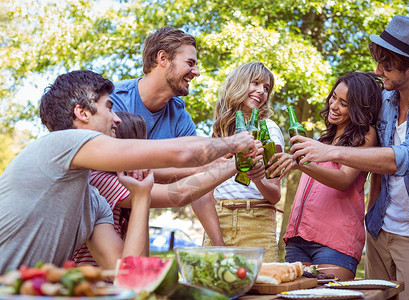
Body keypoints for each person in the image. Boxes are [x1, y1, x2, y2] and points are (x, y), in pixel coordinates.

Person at [0, 70, 256, 273]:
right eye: (109, 107)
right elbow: (180, 154)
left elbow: (127, 273)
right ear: (82, 112)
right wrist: (235, 143)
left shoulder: (92, 201)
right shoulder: (58, 143)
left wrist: (142, 197)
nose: (118, 118)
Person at [290, 15, 409, 299]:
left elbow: (402, 158)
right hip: (378, 228)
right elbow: (350, 127)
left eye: (386, 66)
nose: (378, 71)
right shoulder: (384, 100)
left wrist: (329, 152)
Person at [73, 111, 252, 266]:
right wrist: (236, 165)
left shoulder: (117, 176)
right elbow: (178, 194)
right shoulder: (100, 180)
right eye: (140, 143)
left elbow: (161, 171)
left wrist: (205, 167)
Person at [109, 26, 225, 245]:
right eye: (190, 63)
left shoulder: (180, 116)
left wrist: (221, 247)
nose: (197, 72)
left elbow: (197, 186)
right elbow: (119, 167)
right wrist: (197, 168)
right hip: (94, 219)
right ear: (162, 58)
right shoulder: (113, 101)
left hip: (133, 222)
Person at [268, 72, 383, 280]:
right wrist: (290, 163)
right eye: (333, 97)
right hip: (298, 239)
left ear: (359, 108)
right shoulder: (325, 137)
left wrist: (301, 163)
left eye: (344, 103)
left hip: (334, 242)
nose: (333, 105)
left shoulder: (365, 135)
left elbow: (343, 180)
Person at [202, 62, 284, 262]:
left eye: (266, 88)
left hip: (256, 223)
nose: (261, 91)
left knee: (261, 291)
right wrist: (217, 244)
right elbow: (204, 191)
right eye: (255, 83)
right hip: (217, 221)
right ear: (238, 83)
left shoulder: (269, 130)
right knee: (213, 291)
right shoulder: (218, 132)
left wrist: (257, 180)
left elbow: (274, 195)